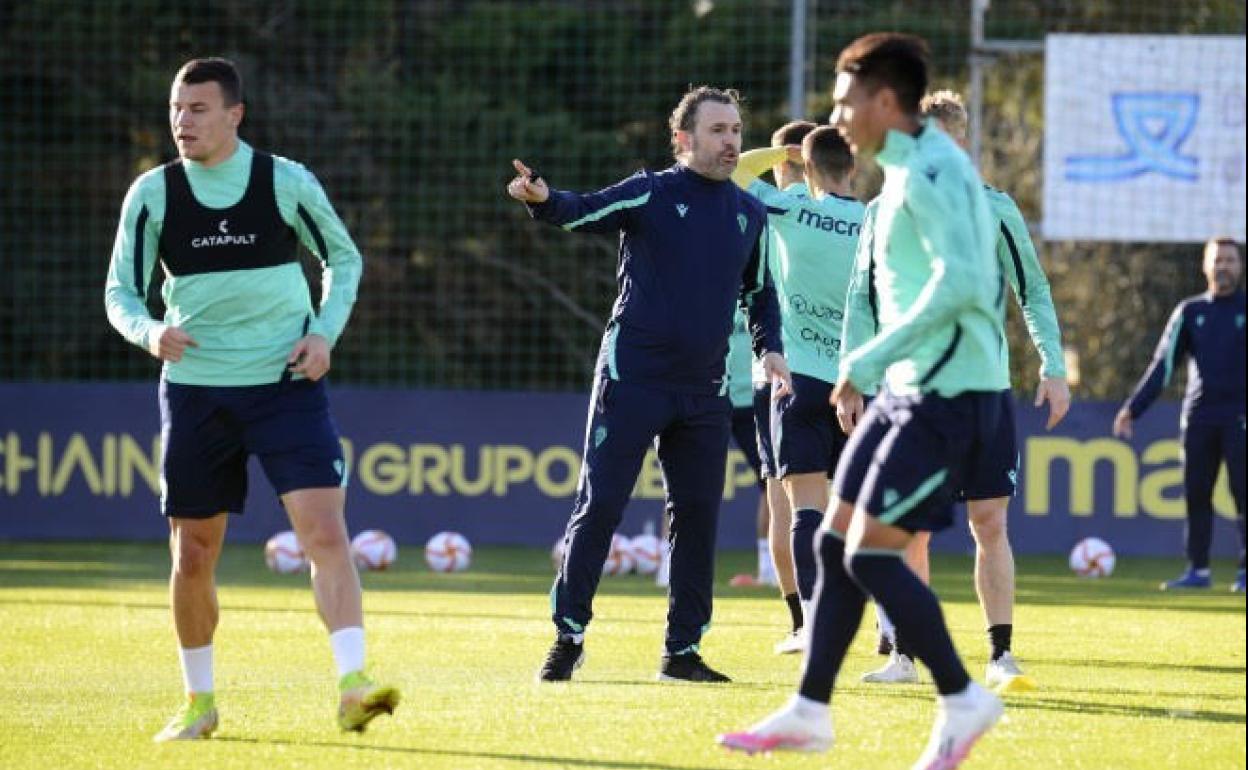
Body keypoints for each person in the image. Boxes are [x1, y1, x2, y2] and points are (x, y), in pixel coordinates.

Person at [718, 33, 1006, 769]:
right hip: (908, 389)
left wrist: (869, 359)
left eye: (846, 99)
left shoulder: (935, 171)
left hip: (947, 392)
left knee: (871, 556)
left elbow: (967, 284)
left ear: (884, 100)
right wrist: (864, 365)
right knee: (832, 541)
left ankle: (961, 694)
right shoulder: (903, 173)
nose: (837, 115)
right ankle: (811, 711)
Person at [103, 58, 398, 741]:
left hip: (287, 383)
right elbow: (121, 292)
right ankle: (199, 703)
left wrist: (324, 334)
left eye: (199, 109)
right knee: (194, 554)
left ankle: (354, 686)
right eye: (177, 108)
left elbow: (344, 259)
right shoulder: (153, 194)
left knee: (325, 534)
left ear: (235, 115)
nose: (183, 121)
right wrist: (151, 332)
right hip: (198, 393)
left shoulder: (284, 181)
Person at [507, 86, 791, 683]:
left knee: (697, 516)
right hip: (632, 378)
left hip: (705, 390)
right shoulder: (650, 190)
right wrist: (543, 198)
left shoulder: (751, 214)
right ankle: (569, 637)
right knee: (600, 504)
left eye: (737, 129)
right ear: (683, 140)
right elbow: (581, 208)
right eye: (718, 130)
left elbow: (761, 294)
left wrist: (772, 353)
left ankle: (682, 652)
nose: (732, 141)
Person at [862, 90, 1071, 691]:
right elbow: (866, 299)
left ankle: (1000, 654)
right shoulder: (885, 210)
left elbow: (1032, 291)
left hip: (982, 393)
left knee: (990, 522)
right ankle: (903, 654)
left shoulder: (994, 209)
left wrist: (1052, 366)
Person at [732, 123, 865, 655]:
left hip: (797, 379)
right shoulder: (876, 220)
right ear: (853, 168)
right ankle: (889, 629)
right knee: (865, 512)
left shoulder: (790, 209)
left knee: (800, 508)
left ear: (804, 169)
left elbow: (736, 171)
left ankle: (809, 622)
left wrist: (777, 154)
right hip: (860, 382)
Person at [1114, 237, 1246, 592]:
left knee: (1243, 493)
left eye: (1230, 260)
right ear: (1205, 265)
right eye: (1217, 260)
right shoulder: (1190, 312)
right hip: (1199, 419)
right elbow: (1163, 366)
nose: (1224, 266)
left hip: (1240, 419)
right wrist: (1132, 409)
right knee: (1196, 495)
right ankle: (1198, 571)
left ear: (1240, 265)